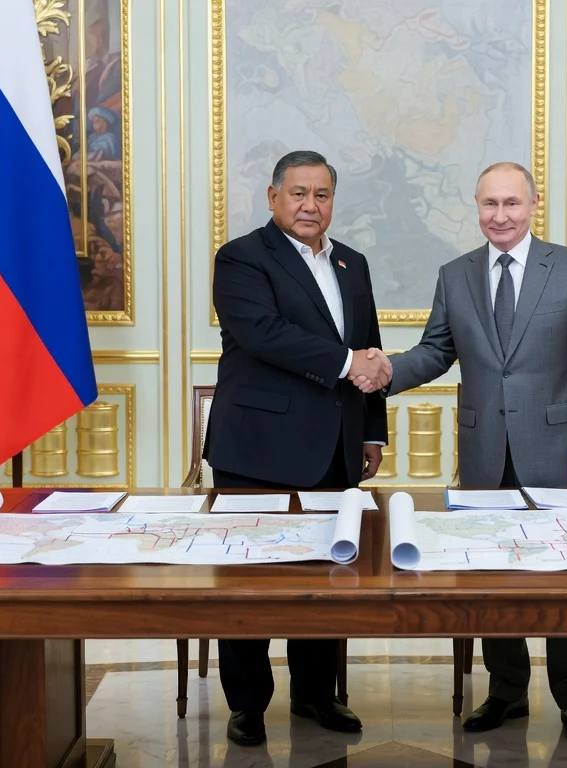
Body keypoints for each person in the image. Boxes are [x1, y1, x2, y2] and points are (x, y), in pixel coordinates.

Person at [351, 161, 567, 745]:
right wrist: (388, 370)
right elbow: (437, 350)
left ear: (533, 204)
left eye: (512, 204)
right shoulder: (457, 274)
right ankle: (506, 694)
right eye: (489, 204)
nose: (500, 216)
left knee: (565, 580)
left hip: (559, 450)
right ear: (477, 207)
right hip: (484, 455)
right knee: (491, 577)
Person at [204, 150, 391, 746]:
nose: (311, 205)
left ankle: (316, 696)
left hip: (334, 449)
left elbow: (370, 346)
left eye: (323, 194)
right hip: (257, 448)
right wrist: (347, 363)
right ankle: (248, 706)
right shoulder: (240, 258)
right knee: (247, 584)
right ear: (273, 197)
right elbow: (263, 335)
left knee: (326, 581)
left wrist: (371, 429)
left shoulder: (352, 262)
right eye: (299, 193)